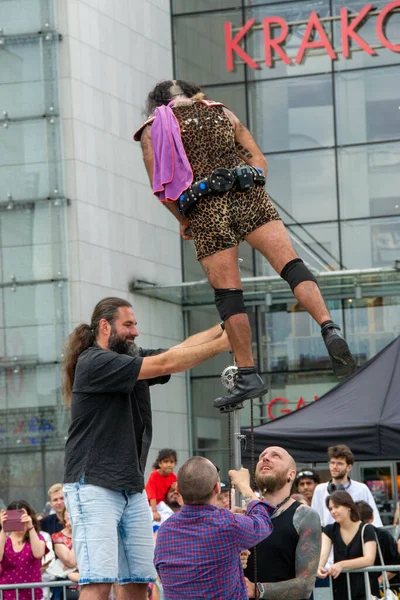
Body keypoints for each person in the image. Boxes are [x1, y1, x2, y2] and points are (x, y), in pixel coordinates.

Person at [134, 79, 356, 409]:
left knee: (229, 294)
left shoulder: (154, 128)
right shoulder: (222, 111)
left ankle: (249, 374)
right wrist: (251, 192)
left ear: (158, 102)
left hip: (206, 206)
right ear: (196, 93)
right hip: (249, 193)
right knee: (292, 266)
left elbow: (161, 187)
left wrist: (184, 220)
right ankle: (329, 327)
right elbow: (259, 160)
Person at [62, 296, 230, 600]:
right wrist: (223, 344)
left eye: (135, 324)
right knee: (98, 584)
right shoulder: (94, 361)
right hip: (93, 485)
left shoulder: (129, 360)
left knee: (139, 582)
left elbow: (178, 352)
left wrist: (224, 327)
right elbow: (166, 363)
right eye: (128, 324)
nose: (135, 331)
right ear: (104, 326)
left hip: (130, 487)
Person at [154, 457, 274, 599]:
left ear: (178, 489)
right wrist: (244, 485)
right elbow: (263, 522)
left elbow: (163, 574)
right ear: (217, 488)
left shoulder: (165, 530)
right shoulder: (227, 524)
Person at [244, 446, 321, 599]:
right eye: (262, 456)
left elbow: (305, 586)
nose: (265, 458)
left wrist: (256, 589)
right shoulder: (244, 514)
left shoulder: (304, 515)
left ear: (291, 475)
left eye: (276, 456)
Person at [318, 491, 378, 600]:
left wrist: (342, 565)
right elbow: (323, 554)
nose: (333, 511)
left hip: (365, 587)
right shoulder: (329, 530)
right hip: (341, 587)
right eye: (330, 508)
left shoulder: (366, 529)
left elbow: (369, 559)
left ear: (349, 507)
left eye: (336, 507)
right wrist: (319, 566)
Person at [312, 445, 383, 527]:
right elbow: (315, 520)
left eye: (339, 463)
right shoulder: (320, 490)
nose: (334, 467)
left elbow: (375, 521)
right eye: (332, 463)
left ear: (349, 467)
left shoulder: (361, 489)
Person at [0, 500, 48, 600]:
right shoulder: (4, 539)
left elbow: (38, 553)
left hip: (34, 595)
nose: (19, 521)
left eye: (21, 517)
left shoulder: (37, 537)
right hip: (8, 596)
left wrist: (30, 526)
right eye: (14, 518)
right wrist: (3, 529)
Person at [356, 500, 400, 584]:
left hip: (366, 587)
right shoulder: (382, 535)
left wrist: (377, 582)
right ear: (372, 517)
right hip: (386, 585)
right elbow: (396, 562)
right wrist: (379, 581)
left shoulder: (350, 538)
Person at [51, 508, 80, 599]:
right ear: (64, 518)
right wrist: (77, 533)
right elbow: (71, 562)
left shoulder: (89, 534)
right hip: (68, 588)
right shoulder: (58, 538)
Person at [145, 449, 177, 522]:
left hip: (163, 505)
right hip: (150, 505)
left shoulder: (174, 477)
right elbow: (152, 495)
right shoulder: (154, 475)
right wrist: (154, 512)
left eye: (171, 462)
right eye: (166, 462)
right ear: (160, 463)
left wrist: (172, 489)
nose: (169, 464)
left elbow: (171, 494)